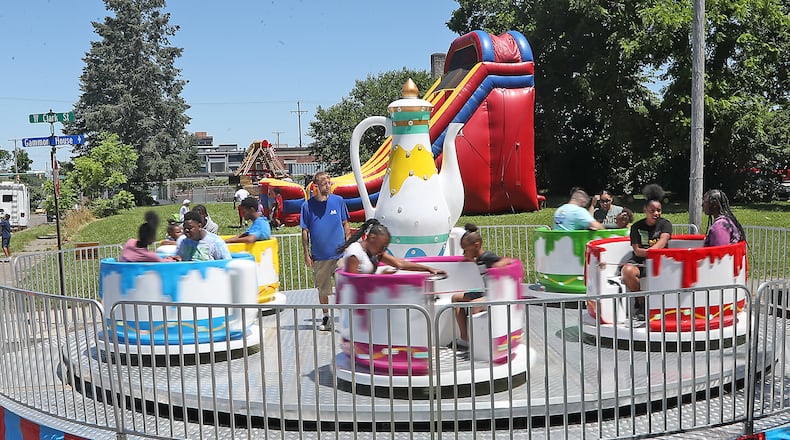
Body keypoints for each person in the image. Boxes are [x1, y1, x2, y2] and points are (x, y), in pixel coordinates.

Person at [449, 223, 516, 350]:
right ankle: (465, 338)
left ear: (476, 245)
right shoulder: (478, 259)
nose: (464, 253)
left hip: (493, 294)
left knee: (475, 305)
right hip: (484, 292)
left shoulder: (487, 257)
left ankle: (480, 344)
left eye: (465, 250)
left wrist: (496, 268)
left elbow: (506, 261)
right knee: (456, 298)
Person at [300, 172, 350, 331]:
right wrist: (306, 254)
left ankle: (347, 318)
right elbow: (305, 231)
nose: (328, 186)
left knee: (344, 286)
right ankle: (326, 317)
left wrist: (348, 245)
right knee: (323, 289)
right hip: (320, 257)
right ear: (316, 186)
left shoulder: (338, 201)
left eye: (329, 183)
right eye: (324, 183)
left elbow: (345, 224)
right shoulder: (307, 206)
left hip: (339, 255)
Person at [621, 184, 672, 319]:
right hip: (640, 261)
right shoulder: (637, 227)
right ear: (645, 210)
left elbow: (663, 241)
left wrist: (650, 252)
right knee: (627, 271)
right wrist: (649, 252)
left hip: (660, 261)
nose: (656, 214)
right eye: (652, 210)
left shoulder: (665, 224)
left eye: (659, 210)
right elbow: (637, 251)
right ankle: (641, 302)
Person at [338, 218, 446, 275]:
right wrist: (380, 276)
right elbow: (353, 282)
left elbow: (400, 263)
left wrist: (429, 269)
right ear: (372, 238)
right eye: (382, 246)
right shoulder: (355, 252)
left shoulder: (376, 253)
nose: (383, 250)